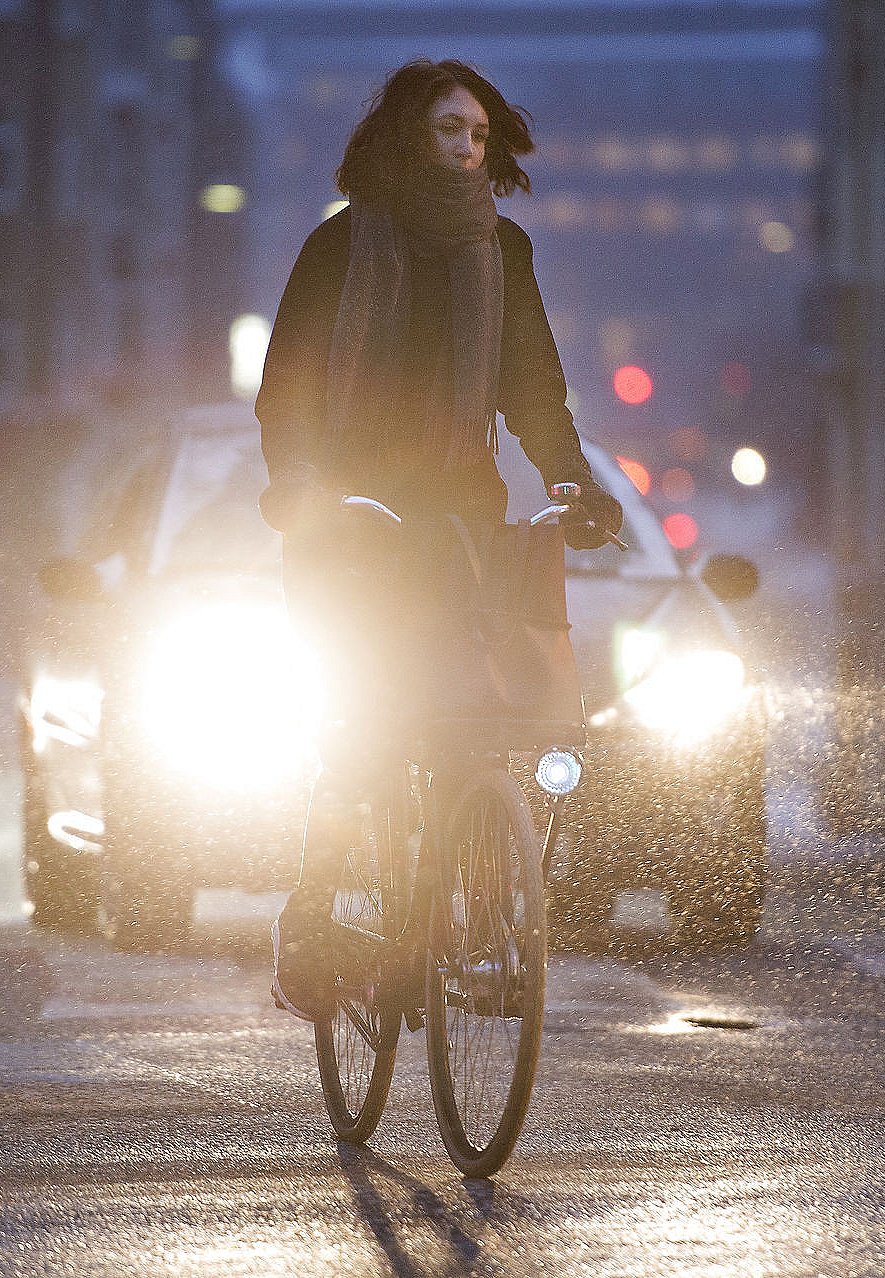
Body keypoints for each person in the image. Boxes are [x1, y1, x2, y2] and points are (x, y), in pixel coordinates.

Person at [254, 59, 623, 1020]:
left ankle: (470, 910)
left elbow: (534, 385)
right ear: (403, 139)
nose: (465, 150)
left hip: (459, 520)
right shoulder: (339, 249)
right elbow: (287, 383)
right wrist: (298, 482)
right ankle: (320, 913)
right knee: (364, 732)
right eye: (447, 131)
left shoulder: (505, 253)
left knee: (475, 723)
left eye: (477, 137)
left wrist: (569, 476)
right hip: (351, 524)